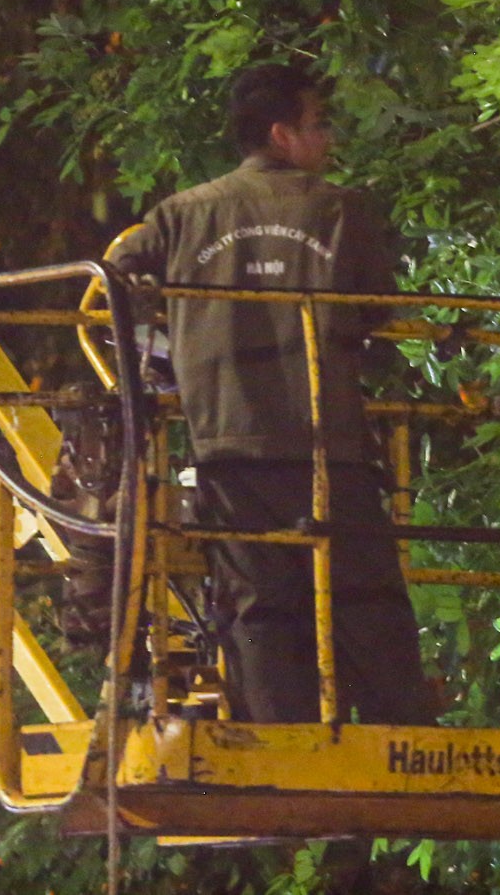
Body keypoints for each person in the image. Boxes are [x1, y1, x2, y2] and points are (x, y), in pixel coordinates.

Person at [109, 64, 431, 725]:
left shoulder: (181, 214)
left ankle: (275, 736)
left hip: (228, 443)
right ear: (282, 133)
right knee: (364, 594)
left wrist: (168, 351)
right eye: (319, 124)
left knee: (255, 600)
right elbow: (381, 312)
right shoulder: (339, 208)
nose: (329, 137)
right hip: (327, 443)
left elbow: (109, 280)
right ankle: (403, 732)